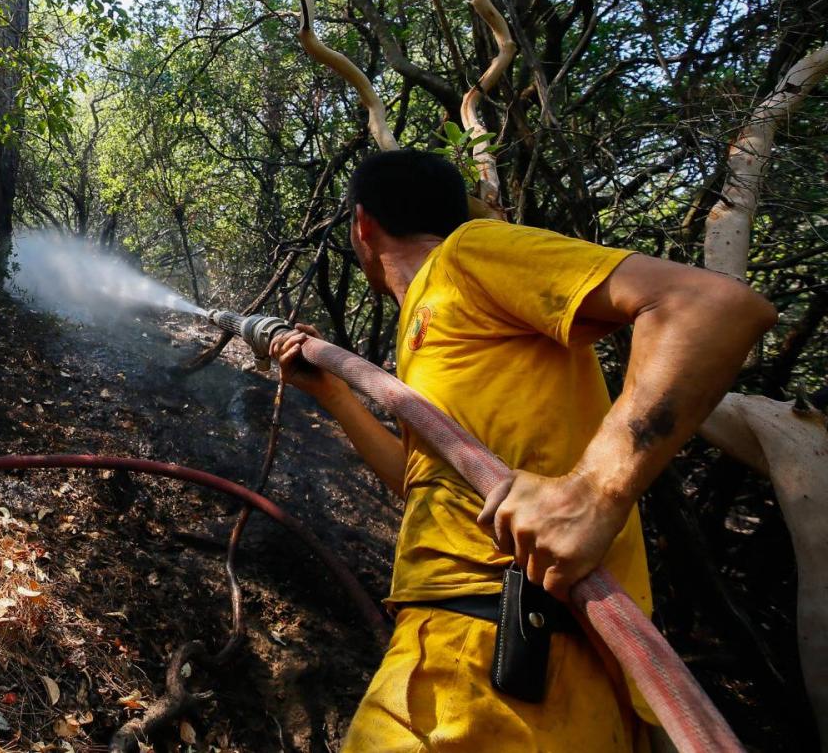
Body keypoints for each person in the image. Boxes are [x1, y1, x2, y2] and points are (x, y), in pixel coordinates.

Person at [269, 149, 776, 752]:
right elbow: (425, 484)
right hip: (519, 668)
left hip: (494, 657)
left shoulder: (465, 255)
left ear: (362, 225)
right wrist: (335, 396)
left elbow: (715, 305)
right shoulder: (434, 323)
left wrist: (596, 491)